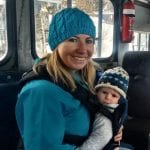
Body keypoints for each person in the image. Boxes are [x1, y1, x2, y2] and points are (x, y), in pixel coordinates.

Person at [15, 8, 123, 150]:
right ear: (56, 44)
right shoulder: (42, 91)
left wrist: (114, 126)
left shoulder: (88, 77)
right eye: (73, 40)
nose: (83, 49)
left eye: (89, 41)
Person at [77, 67, 133, 150]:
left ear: (119, 100)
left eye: (114, 95)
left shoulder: (104, 116)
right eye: (104, 92)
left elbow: (100, 138)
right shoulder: (101, 106)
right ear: (97, 91)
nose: (107, 97)